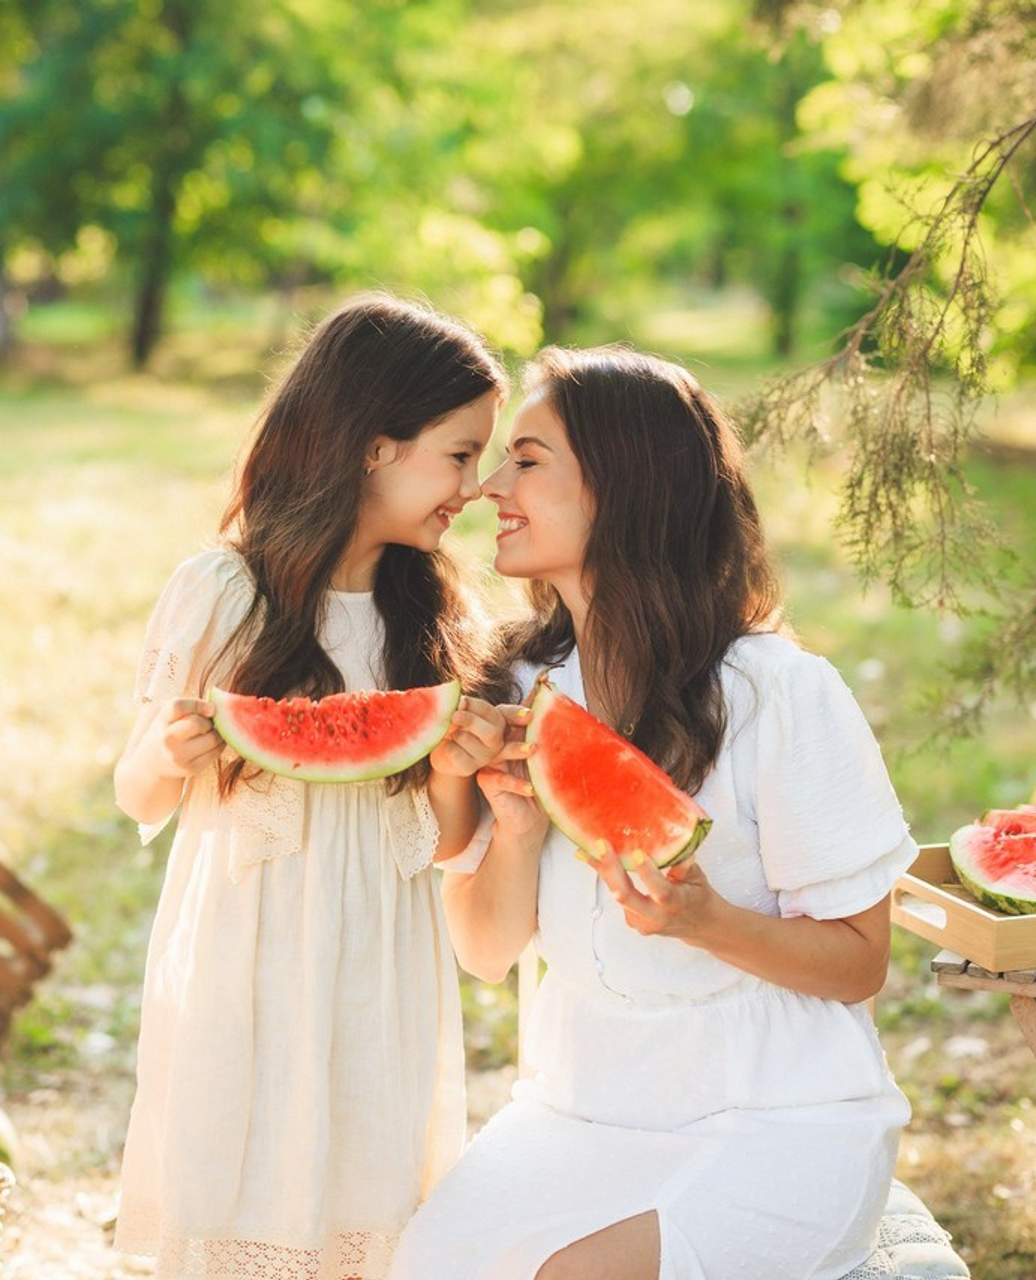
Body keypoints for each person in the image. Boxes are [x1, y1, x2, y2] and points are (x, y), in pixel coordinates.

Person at [392, 345, 918, 1280]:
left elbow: (859, 964)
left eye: (527, 461)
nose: (490, 488)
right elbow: (484, 951)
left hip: (777, 1119)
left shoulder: (777, 692)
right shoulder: (521, 688)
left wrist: (707, 921)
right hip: (578, 1112)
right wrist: (517, 831)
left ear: (624, 486)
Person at [112, 294, 513, 1280]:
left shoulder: (436, 614)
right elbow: (137, 795)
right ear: (375, 448)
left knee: (364, 1189)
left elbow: (443, 839)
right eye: (459, 455)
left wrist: (455, 772)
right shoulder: (222, 591)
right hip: (249, 959)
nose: (475, 486)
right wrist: (169, 752)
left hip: (381, 963)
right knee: (247, 1173)